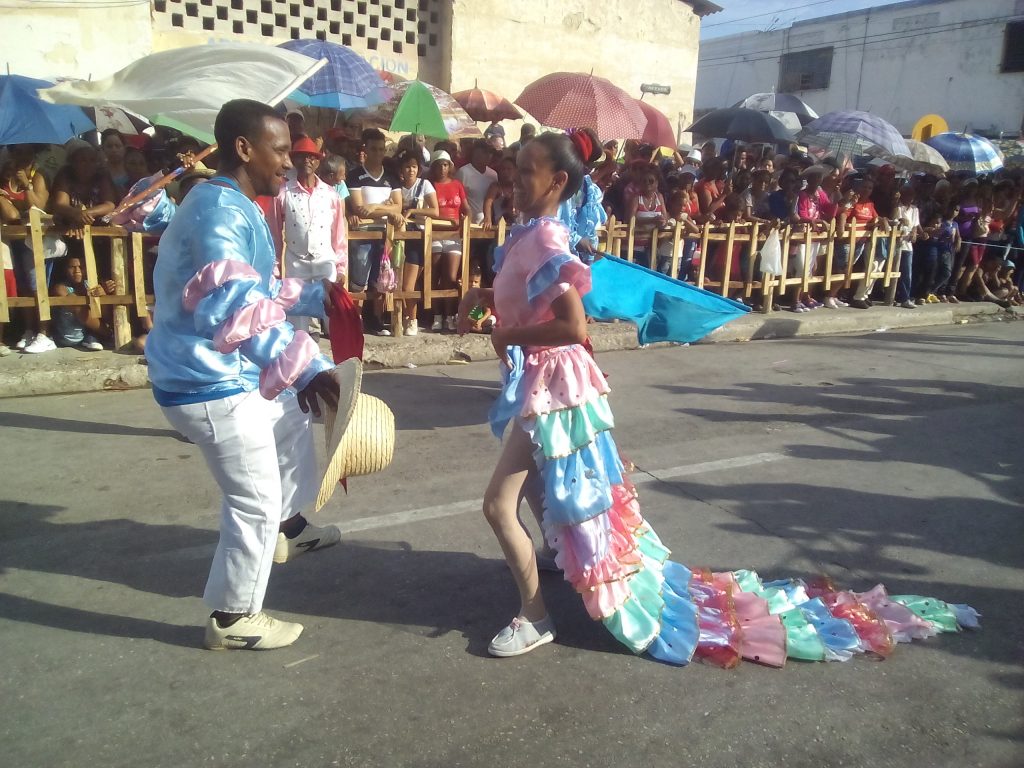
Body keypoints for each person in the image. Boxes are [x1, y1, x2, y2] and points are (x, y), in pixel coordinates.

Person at [455, 130, 980, 664]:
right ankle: (560, 557)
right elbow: (525, 295)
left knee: (499, 504)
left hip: (554, 387)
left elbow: (573, 325)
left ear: (558, 181)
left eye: (525, 171)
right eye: (513, 169)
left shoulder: (546, 238)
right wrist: (483, 296)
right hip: (543, 383)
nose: (512, 179)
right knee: (542, 486)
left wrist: (506, 336)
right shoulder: (532, 230)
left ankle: (537, 617)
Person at [146, 99, 343, 651]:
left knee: (289, 416)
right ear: (243, 148)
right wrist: (305, 369)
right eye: (279, 150)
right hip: (206, 379)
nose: (288, 162)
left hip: (221, 367)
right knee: (252, 497)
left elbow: (254, 286)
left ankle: (288, 529)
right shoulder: (220, 211)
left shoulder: (237, 203)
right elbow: (231, 303)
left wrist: (317, 296)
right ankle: (233, 618)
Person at [264, 136, 348, 335]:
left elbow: (339, 235)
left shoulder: (330, 195)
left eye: (312, 157)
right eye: (301, 157)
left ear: (318, 162)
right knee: (296, 320)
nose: (307, 162)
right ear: (294, 160)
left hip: (325, 261)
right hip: (296, 262)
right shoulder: (283, 193)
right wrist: (275, 269)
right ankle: (301, 361)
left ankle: (339, 363)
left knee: (334, 316)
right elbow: (274, 234)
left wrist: (341, 266)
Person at [347, 128, 403, 335]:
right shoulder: (355, 176)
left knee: (379, 279)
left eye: (382, 149)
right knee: (359, 279)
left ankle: (375, 320)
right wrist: (384, 208)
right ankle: (355, 320)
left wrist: (374, 208)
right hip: (363, 233)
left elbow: (399, 206)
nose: (378, 153)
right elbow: (358, 207)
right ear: (366, 150)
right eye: (374, 149)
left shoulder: (392, 178)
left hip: (385, 234)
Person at [1, 144, 50, 353]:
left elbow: (38, 207)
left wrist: (26, 185)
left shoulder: (38, 176)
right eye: (17, 151)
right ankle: (28, 330)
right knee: (21, 285)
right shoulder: (4, 176)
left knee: (36, 283)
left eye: (27, 151)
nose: (22, 156)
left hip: (34, 240)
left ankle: (44, 334)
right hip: (12, 240)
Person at [394, 148, 439, 336]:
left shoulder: (425, 185)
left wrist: (413, 212)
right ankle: (400, 317)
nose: (411, 170)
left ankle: (412, 319)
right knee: (396, 280)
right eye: (407, 167)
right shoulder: (396, 187)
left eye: (414, 167)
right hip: (398, 236)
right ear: (401, 170)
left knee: (408, 284)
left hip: (417, 237)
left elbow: (435, 211)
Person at [427, 149, 471, 331]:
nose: (443, 168)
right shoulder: (430, 185)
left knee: (451, 277)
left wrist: (465, 221)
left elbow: (466, 208)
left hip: (454, 235)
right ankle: (437, 316)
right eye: (439, 165)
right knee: (434, 275)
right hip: (435, 234)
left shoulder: (457, 185)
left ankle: (450, 315)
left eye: (446, 164)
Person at [48, 255, 113, 350]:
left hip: (86, 335)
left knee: (100, 298)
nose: (77, 271)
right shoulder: (60, 288)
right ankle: (108, 335)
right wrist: (109, 333)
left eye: (81, 267)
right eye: (72, 267)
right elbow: (80, 309)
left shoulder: (90, 284)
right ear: (65, 270)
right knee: (77, 303)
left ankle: (94, 337)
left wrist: (103, 294)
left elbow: (103, 312)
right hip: (67, 339)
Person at [455, 139, 498, 226]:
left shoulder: (493, 175)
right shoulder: (463, 172)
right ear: (475, 153)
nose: (489, 155)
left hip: (489, 226)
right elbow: (458, 198)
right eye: (485, 152)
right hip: (469, 225)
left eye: (491, 153)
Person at [100, 129, 130, 198]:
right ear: (103, 148)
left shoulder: (132, 169)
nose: (114, 150)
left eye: (118, 146)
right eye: (109, 146)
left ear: (124, 148)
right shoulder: (100, 172)